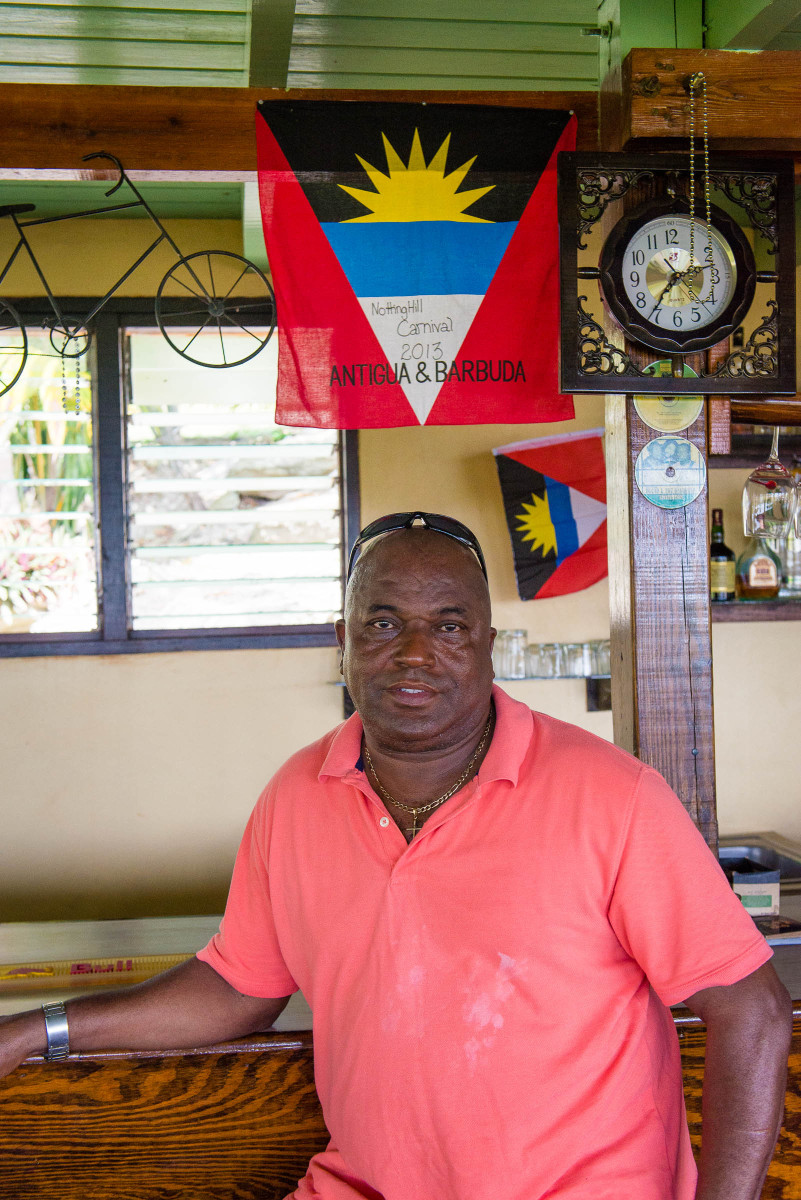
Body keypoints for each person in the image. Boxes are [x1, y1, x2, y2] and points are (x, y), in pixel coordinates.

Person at [0, 511, 792, 1200]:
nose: (415, 652)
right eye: (382, 624)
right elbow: (237, 986)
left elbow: (749, 1012)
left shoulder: (611, 796)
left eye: (448, 626)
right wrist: (38, 1030)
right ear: (342, 640)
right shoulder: (297, 794)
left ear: (487, 643)